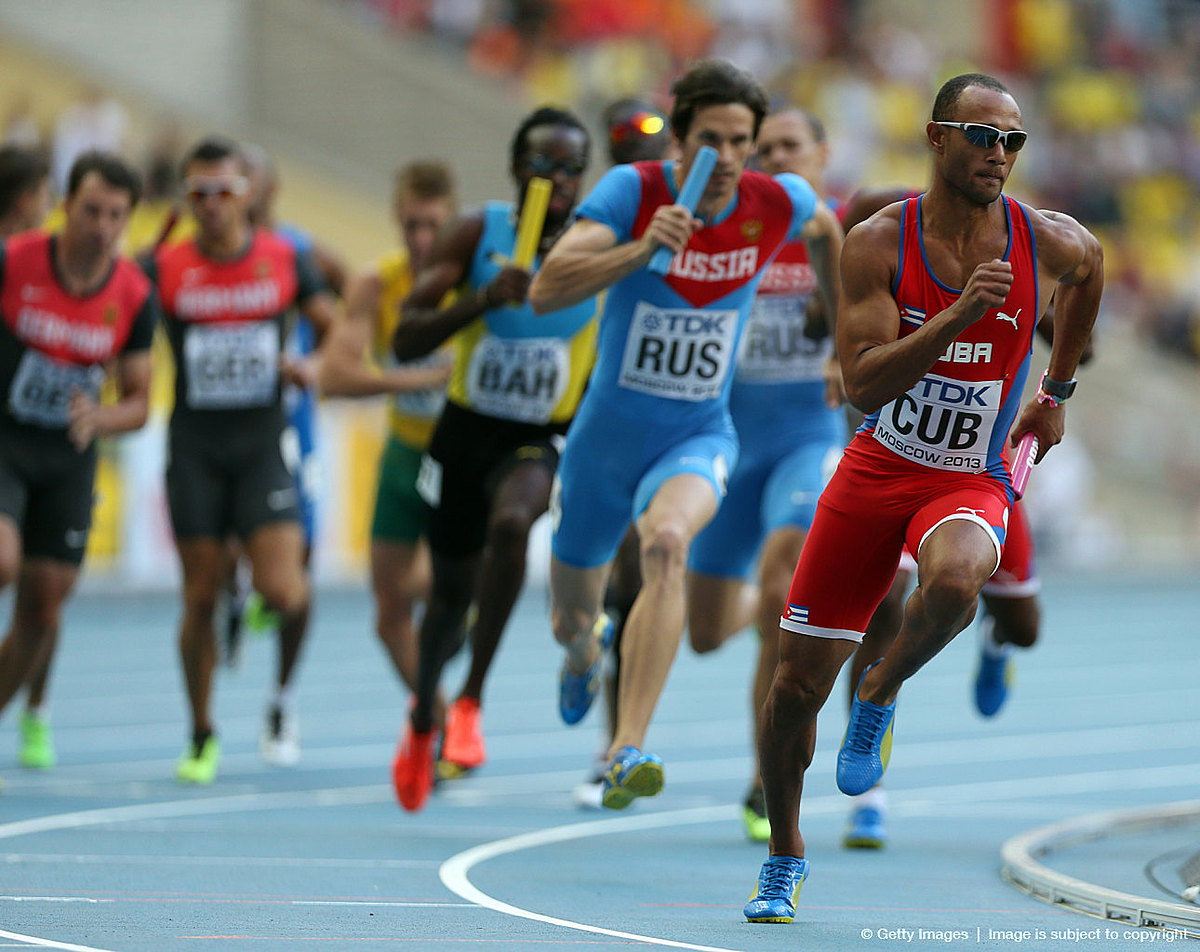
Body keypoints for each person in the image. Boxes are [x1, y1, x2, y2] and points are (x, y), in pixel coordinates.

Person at [743, 73, 1104, 924]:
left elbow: (1090, 271)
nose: (1000, 155)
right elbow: (863, 385)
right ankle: (784, 855)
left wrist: (1055, 392)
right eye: (983, 136)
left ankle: (878, 691)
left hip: (967, 474)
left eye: (1014, 141)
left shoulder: (1041, 238)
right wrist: (949, 319)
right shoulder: (875, 243)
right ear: (937, 138)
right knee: (794, 688)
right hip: (878, 468)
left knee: (957, 581)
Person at [530, 59, 842, 811]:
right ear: (678, 139)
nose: (730, 157)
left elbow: (829, 231)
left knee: (667, 544)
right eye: (713, 138)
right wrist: (642, 248)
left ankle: (625, 747)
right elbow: (545, 289)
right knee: (576, 613)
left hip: (698, 432)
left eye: (744, 139)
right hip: (604, 443)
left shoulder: (777, 200)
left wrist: (840, 330)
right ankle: (580, 651)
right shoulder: (634, 192)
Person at [390, 107, 600, 812]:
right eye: (544, 164)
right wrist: (482, 298)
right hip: (463, 432)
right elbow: (406, 340)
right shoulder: (479, 232)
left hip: (539, 436)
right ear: (518, 168)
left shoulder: (602, 243)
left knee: (514, 525)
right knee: (447, 601)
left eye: (572, 167)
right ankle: (425, 716)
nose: (558, 179)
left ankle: (472, 701)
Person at [144, 135, 340, 784]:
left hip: (261, 447)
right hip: (196, 450)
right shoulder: (166, 266)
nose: (211, 206)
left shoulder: (285, 258)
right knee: (198, 596)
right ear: (186, 199)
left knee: (284, 588)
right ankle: (201, 732)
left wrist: (310, 362)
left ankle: (265, 643)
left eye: (223, 192)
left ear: (247, 194)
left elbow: (334, 325)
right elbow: (119, 326)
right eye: (198, 194)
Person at [684, 108, 844, 840]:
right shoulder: (734, 226)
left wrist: (846, 335)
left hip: (807, 440)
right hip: (728, 441)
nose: (777, 158)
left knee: (784, 594)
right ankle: (764, 604)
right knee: (708, 632)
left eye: (791, 147)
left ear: (821, 155)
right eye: (764, 148)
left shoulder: (844, 232)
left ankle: (762, 783)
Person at [0, 151, 158, 787]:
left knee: (43, 608)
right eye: (91, 210)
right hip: (5, 440)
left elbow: (142, 401)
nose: (101, 225)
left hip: (69, 457)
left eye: (116, 215)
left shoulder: (133, 294)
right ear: (66, 205)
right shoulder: (14, 261)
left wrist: (101, 418)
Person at [318, 160, 456, 724]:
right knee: (388, 613)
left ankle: (459, 604)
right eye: (411, 226)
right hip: (403, 452)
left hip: (460, 455)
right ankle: (438, 718)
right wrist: (415, 379)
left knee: (435, 583)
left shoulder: (476, 281)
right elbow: (334, 377)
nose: (421, 240)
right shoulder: (379, 284)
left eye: (433, 227)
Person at [572, 97, 673, 810]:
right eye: (625, 145)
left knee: (636, 585)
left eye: (651, 142)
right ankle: (577, 649)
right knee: (590, 599)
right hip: (596, 420)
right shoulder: (603, 217)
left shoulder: (699, 215)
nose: (640, 155)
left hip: (669, 428)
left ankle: (616, 746)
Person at [217, 143, 350, 680]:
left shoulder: (297, 247)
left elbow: (352, 299)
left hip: (292, 423)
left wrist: (317, 361)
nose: (243, 184)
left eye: (252, 173)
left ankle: (282, 694)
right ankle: (233, 594)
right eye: (235, 175)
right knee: (224, 542)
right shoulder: (210, 251)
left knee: (301, 554)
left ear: (270, 186)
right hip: (227, 421)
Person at [0, 144, 60, 769]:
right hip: (7, 440)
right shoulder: (13, 263)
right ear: (25, 197)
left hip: (57, 447)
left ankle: (37, 711)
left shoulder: (60, 260)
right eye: (46, 193)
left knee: (46, 592)